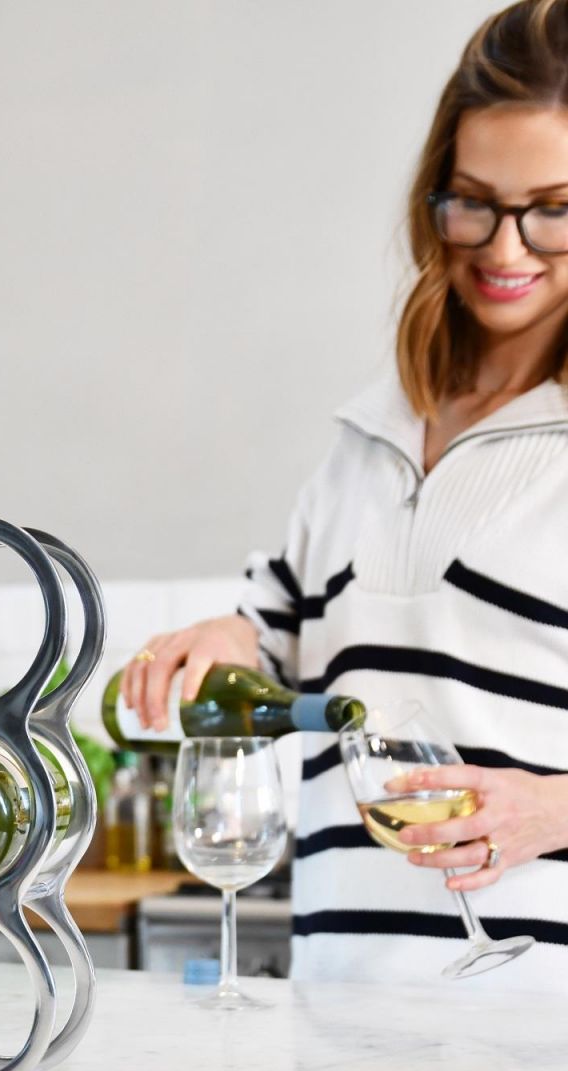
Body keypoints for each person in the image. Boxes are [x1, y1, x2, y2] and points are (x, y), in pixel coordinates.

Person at [123, 0, 568, 990]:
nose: (506, 250)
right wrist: (228, 643)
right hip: (346, 1014)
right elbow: (272, 638)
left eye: (555, 209)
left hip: (545, 1030)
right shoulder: (368, 436)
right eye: (473, 203)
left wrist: (555, 809)